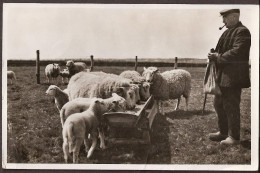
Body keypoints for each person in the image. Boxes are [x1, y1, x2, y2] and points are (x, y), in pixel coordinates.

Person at [207, 9, 251, 145]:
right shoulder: (227, 32)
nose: (223, 21)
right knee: (219, 104)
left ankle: (234, 137)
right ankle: (224, 132)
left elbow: (238, 52)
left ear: (234, 17)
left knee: (231, 106)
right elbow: (223, 51)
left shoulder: (242, 31)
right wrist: (213, 55)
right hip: (223, 76)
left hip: (233, 77)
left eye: (225, 18)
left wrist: (218, 57)